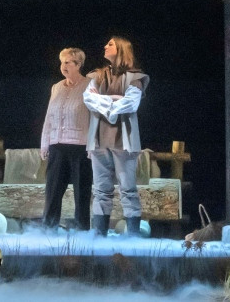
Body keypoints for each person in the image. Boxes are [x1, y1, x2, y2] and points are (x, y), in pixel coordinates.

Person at [84, 36, 149, 236]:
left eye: (110, 44)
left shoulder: (135, 77)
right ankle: (99, 234)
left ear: (121, 49)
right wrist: (113, 101)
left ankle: (133, 236)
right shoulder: (97, 75)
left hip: (124, 140)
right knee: (101, 189)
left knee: (128, 189)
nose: (105, 46)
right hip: (99, 140)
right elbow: (88, 98)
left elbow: (131, 103)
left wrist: (104, 103)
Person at [40, 47, 92, 229]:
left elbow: (95, 119)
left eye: (68, 62)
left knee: (81, 192)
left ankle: (82, 231)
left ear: (78, 64)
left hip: (81, 146)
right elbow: (49, 117)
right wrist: (45, 143)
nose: (63, 66)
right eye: (62, 62)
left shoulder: (90, 86)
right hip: (57, 144)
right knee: (53, 190)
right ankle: (49, 229)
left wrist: (93, 145)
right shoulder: (56, 87)